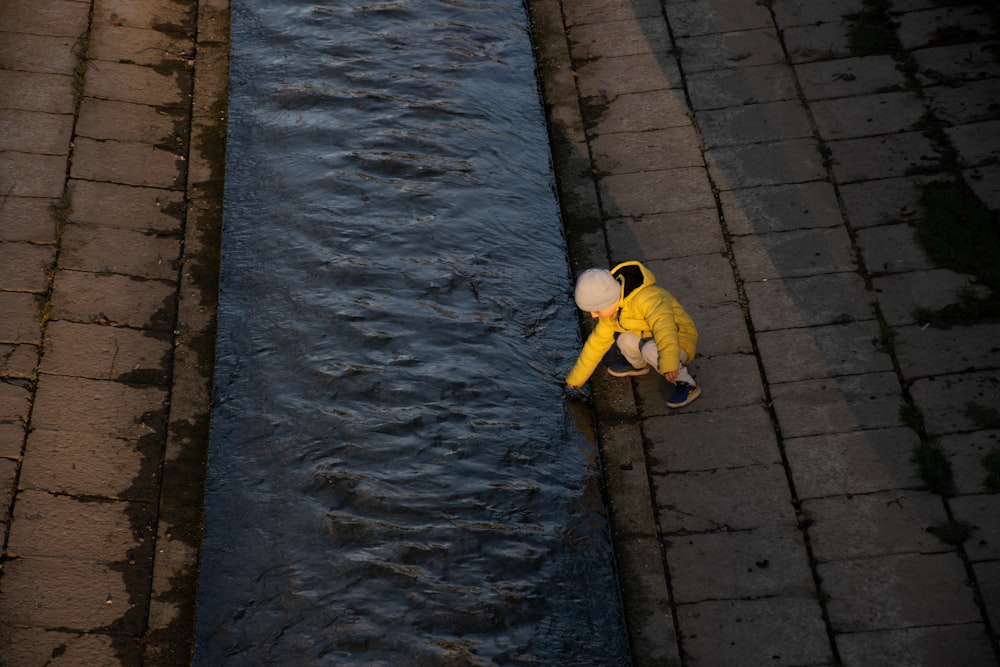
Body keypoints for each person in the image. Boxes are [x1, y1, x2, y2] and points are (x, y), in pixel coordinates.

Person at [565, 260, 701, 408]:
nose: (593, 316)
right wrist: (575, 378)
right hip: (650, 338)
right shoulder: (612, 311)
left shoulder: (647, 298)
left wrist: (670, 363)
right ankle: (639, 365)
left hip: (679, 340)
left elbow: (665, 329)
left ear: (610, 299)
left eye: (597, 310)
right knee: (624, 339)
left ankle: (687, 384)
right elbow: (596, 344)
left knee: (649, 349)